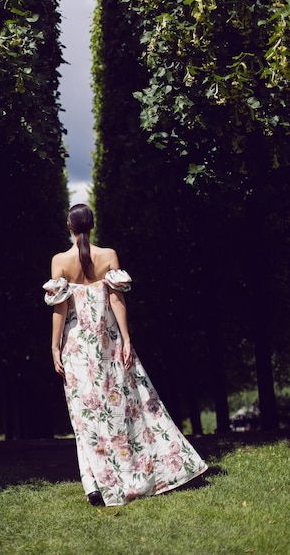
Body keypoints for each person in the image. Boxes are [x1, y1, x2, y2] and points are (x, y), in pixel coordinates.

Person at [43, 204, 207, 507]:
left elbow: (60, 309)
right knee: (128, 404)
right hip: (109, 342)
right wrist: (127, 339)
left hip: (77, 346)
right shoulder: (109, 255)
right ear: (92, 225)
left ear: (68, 225)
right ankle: (137, 471)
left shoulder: (59, 261)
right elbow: (117, 301)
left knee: (84, 414)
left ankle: (93, 485)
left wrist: (54, 347)